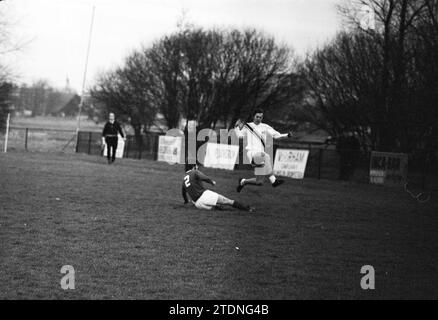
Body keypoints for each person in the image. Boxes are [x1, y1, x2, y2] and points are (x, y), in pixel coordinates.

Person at [234, 109, 293, 192]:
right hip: (252, 153)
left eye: (260, 117)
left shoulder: (265, 126)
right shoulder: (247, 126)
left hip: (260, 154)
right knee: (265, 156)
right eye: (257, 116)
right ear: (253, 116)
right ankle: (273, 181)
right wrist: (236, 128)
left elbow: (276, 135)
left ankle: (243, 181)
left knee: (259, 182)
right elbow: (240, 136)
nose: (259, 118)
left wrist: (287, 135)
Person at [182, 164, 255, 212]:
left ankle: (229, 210)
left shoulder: (183, 180)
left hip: (198, 204)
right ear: (193, 167)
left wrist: (186, 201)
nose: (197, 167)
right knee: (228, 201)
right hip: (205, 196)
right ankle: (247, 209)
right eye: (196, 166)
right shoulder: (194, 172)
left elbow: (183, 193)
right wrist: (211, 181)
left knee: (217, 209)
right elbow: (203, 177)